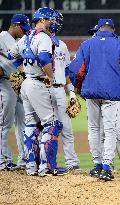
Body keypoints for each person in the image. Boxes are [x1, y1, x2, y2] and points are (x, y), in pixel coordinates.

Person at [69, 18, 120, 181]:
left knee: (93, 129)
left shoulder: (87, 44)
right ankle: (107, 166)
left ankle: (97, 164)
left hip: (91, 94)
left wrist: (77, 87)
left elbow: (76, 70)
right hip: (112, 95)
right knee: (110, 130)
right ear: (113, 30)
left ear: (99, 29)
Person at [9, 7, 67, 176]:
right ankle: (47, 167)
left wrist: (22, 69)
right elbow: (43, 58)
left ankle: (31, 166)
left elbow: (11, 55)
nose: (53, 23)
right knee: (52, 124)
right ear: (42, 20)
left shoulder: (26, 37)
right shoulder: (43, 37)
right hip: (39, 83)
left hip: (27, 83)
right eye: (50, 20)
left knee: (31, 125)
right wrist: (50, 76)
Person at [87, 24, 120, 171]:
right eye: (93, 32)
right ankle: (107, 163)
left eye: (95, 31)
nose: (94, 34)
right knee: (102, 130)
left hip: (117, 94)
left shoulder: (115, 46)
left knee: (116, 129)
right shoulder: (90, 48)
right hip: (98, 95)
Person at [49, 10, 81, 171]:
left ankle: (72, 162)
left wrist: (73, 94)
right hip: (42, 90)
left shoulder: (62, 45)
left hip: (60, 91)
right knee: (43, 127)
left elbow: (67, 71)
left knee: (66, 127)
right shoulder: (36, 41)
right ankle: (41, 162)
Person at [0, 13, 30, 171]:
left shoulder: (20, 41)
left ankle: (24, 160)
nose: (25, 31)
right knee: (4, 124)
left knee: (23, 122)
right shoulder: (2, 37)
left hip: (19, 85)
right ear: (15, 26)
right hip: (5, 84)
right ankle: (2, 161)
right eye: (23, 28)